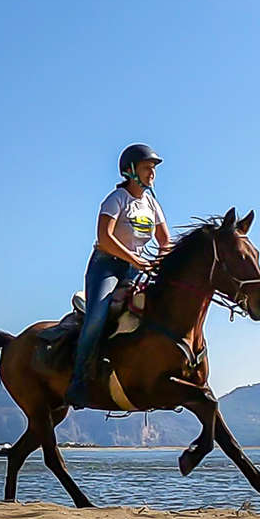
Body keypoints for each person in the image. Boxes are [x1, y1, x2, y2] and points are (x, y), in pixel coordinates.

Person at [66, 143, 172, 408]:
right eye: (147, 168)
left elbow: (164, 241)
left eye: (153, 169)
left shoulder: (151, 204)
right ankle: (79, 380)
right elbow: (104, 238)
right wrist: (136, 259)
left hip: (138, 268)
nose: (152, 173)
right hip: (107, 266)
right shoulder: (116, 200)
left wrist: (163, 264)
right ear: (130, 171)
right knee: (97, 316)